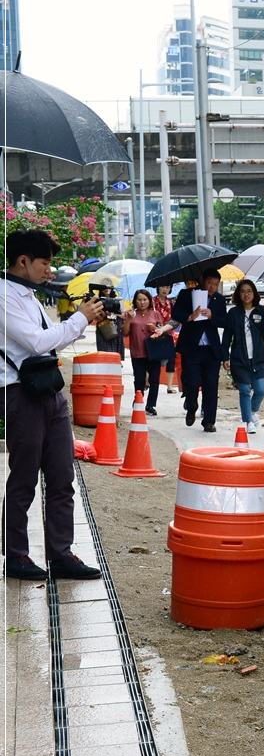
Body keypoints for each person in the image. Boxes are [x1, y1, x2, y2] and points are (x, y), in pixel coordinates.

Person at [2, 229, 103, 581]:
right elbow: (36, 342)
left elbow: (51, 343)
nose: (49, 270)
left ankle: (60, 555)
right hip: (20, 393)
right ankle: (16, 556)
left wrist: (80, 321)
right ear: (23, 260)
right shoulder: (4, 295)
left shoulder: (30, 295)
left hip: (49, 391)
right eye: (45, 263)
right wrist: (79, 319)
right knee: (25, 479)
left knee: (62, 477)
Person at [171, 268, 228, 431]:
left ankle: (209, 421)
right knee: (191, 382)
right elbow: (176, 313)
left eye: (216, 284)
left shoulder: (219, 300)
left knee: (211, 386)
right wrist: (189, 317)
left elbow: (224, 321)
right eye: (210, 282)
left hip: (211, 349)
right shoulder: (186, 294)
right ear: (202, 280)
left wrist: (212, 316)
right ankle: (191, 405)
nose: (212, 286)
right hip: (191, 347)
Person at [222, 279, 264, 436]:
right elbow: (226, 336)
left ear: (254, 293)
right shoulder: (233, 313)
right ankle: (249, 421)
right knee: (244, 390)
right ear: (238, 294)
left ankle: (252, 411)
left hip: (258, 358)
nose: (246, 294)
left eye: (249, 291)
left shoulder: (259, 311)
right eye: (243, 291)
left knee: (260, 390)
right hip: (239, 358)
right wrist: (225, 357)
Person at [124, 289, 174, 416]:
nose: (142, 302)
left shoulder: (155, 314)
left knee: (154, 379)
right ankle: (138, 399)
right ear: (135, 301)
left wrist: (155, 329)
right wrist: (129, 319)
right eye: (139, 300)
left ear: (149, 301)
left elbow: (162, 331)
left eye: (145, 300)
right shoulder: (130, 314)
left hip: (153, 352)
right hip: (137, 351)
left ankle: (151, 405)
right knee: (139, 379)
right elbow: (124, 332)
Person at [151, 283, 178, 394]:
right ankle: (149, 380)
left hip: (169, 334)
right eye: (163, 286)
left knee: (171, 359)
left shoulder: (171, 303)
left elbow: (175, 318)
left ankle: (170, 386)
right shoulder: (152, 301)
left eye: (167, 287)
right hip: (155, 333)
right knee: (153, 359)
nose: (165, 289)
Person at [93, 286, 126, 360]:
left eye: (108, 287)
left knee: (116, 348)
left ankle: (116, 362)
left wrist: (113, 314)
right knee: (104, 349)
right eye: (104, 287)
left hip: (115, 326)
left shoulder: (118, 300)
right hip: (103, 327)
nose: (106, 289)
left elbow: (123, 314)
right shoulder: (98, 301)